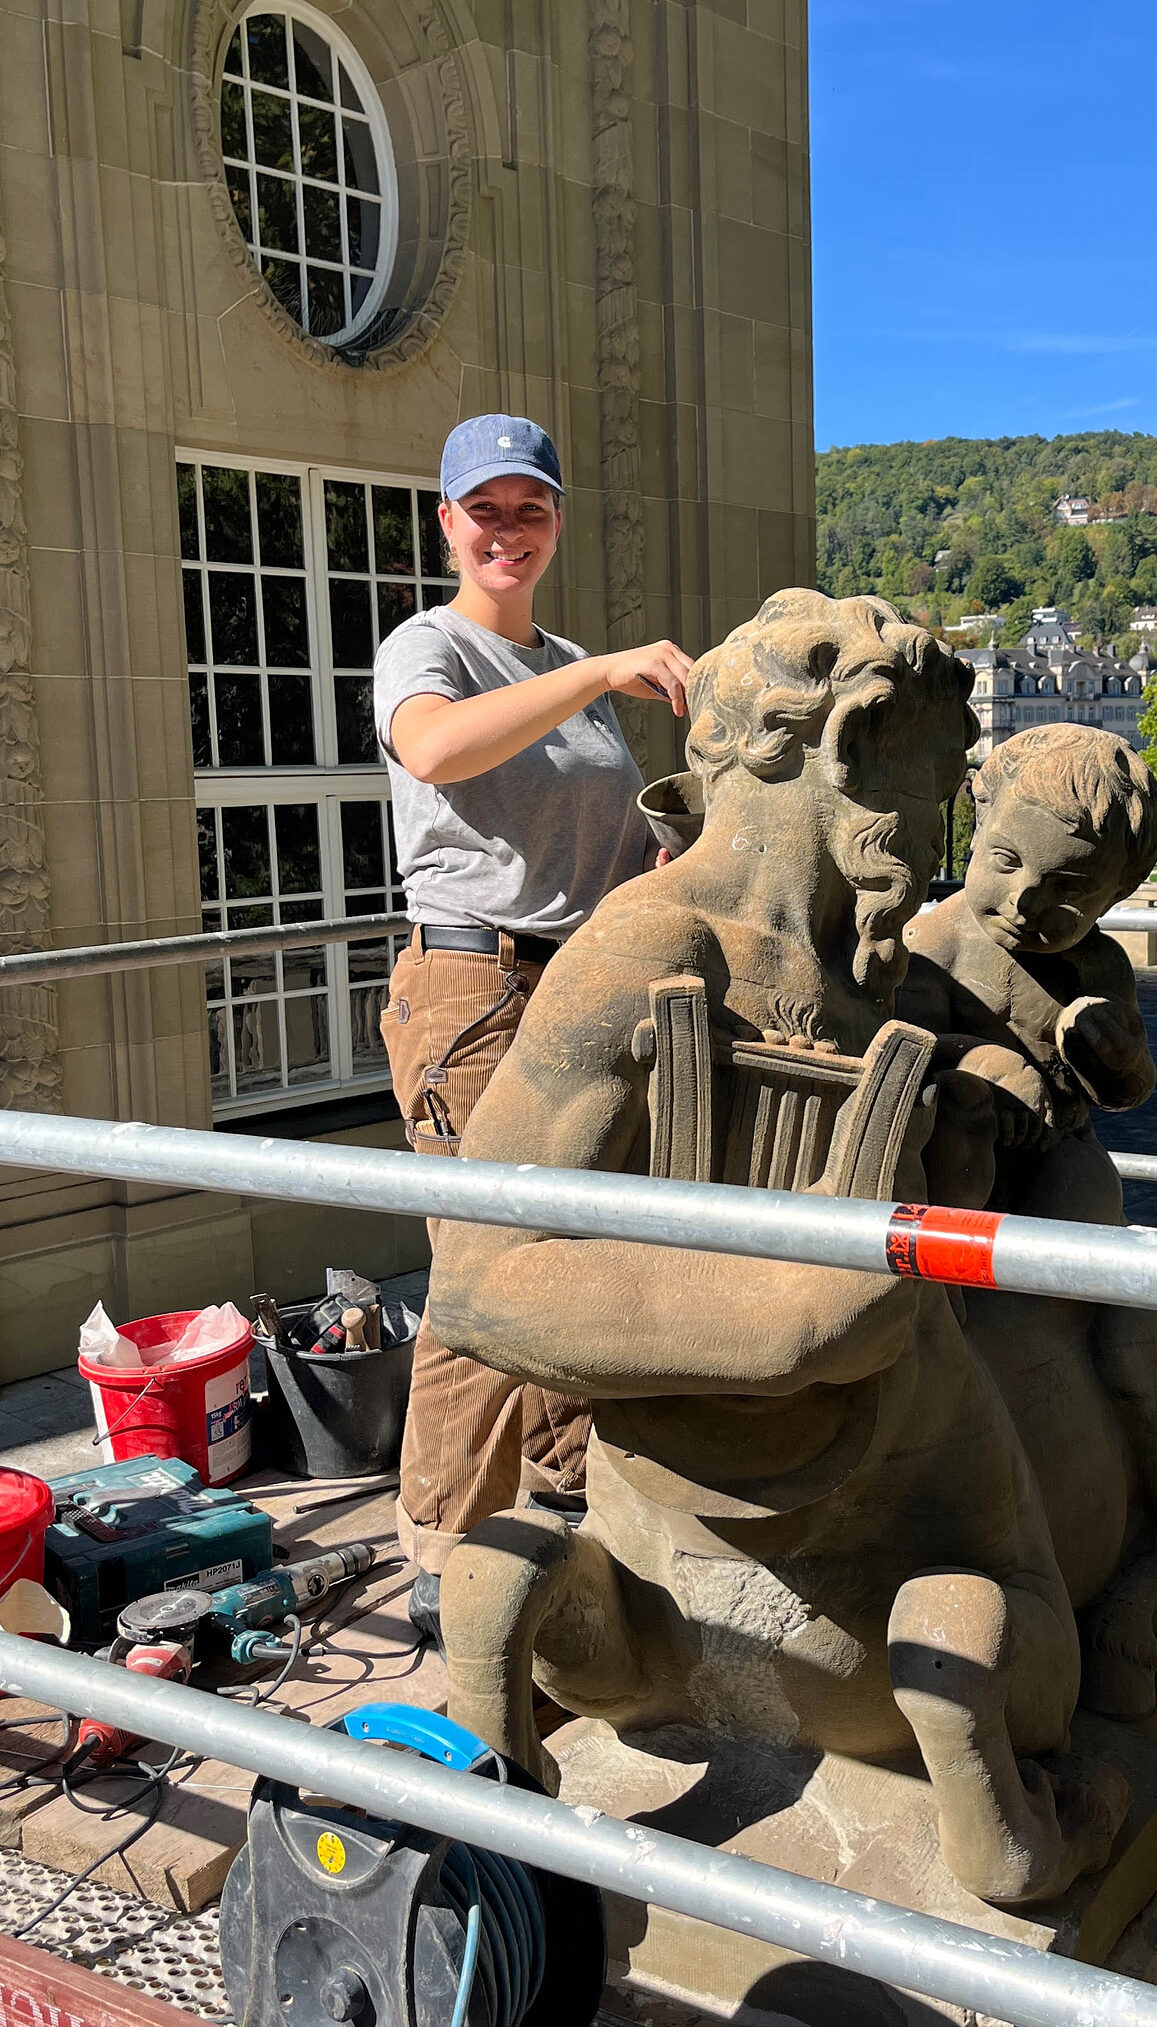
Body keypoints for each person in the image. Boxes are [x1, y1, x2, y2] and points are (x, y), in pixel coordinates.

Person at [374, 413, 691, 1642]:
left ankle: (557, 1494)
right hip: (474, 995)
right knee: (484, 1272)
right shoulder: (432, 645)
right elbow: (437, 749)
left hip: (572, 987)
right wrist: (601, 674)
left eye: (532, 508)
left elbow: (593, 840)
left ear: (555, 523)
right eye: (486, 509)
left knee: (571, 1255)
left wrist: (664, 853)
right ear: (447, 522)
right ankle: (439, 1550)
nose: (509, 529)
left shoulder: (560, 658)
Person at [900, 724, 1157, 1221]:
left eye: (1069, 888)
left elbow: (1130, 1089)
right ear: (979, 826)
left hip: (1059, 1149)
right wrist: (984, 1062)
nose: (1025, 902)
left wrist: (1119, 1061)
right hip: (955, 1146)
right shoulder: (934, 945)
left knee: (1085, 1200)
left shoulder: (1098, 964)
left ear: (1116, 894)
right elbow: (907, 1049)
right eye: (1007, 861)